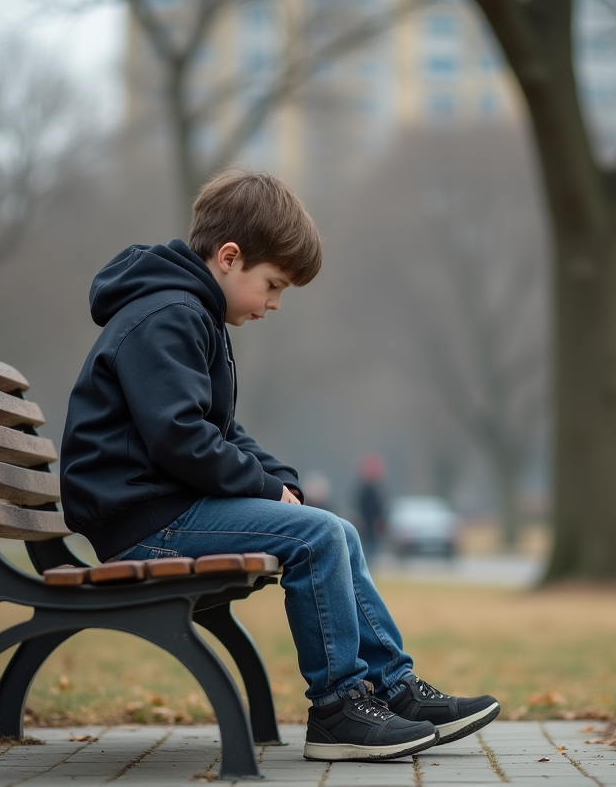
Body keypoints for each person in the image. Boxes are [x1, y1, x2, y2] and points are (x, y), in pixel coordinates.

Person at [59, 167, 499, 763]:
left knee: (332, 527)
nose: (273, 302)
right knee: (318, 536)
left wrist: (280, 482)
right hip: (143, 522)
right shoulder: (170, 315)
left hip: (161, 510)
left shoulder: (191, 314)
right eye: (273, 284)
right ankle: (338, 710)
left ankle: (394, 688)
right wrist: (263, 486)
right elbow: (179, 437)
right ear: (229, 257)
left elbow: (224, 432)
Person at [355, 453, 387, 562]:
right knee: (368, 549)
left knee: (372, 549)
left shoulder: (377, 489)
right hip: (368, 526)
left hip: (373, 525)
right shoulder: (364, 490)